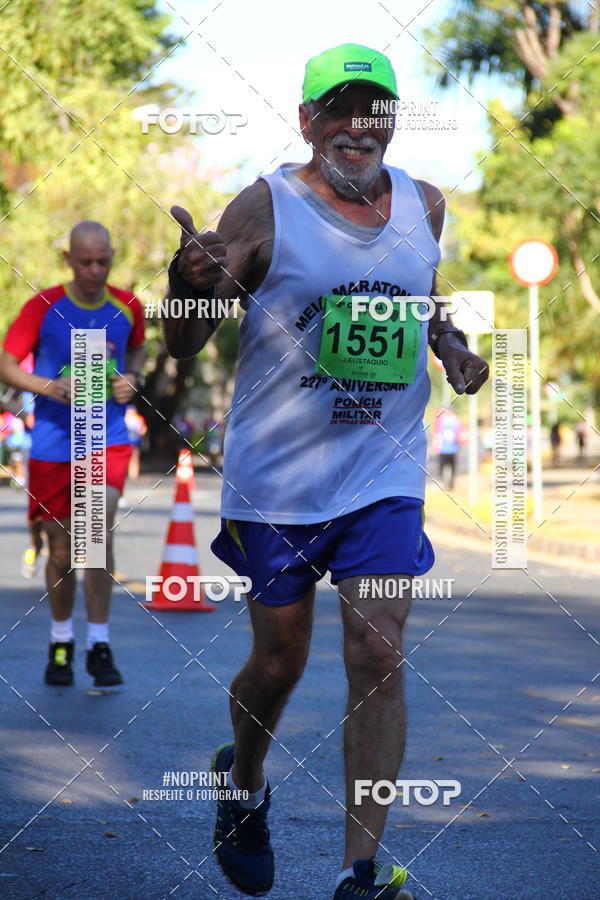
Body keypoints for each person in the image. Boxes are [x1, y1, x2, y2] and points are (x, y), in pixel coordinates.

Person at [163, 44, 489, 900]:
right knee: (279, 660)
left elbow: (418, 299)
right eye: (338, 110)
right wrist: (185, 279)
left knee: (378, 646)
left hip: (381, 470)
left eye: (373, 109)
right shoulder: (266, 206)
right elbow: (185, 338)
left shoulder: (426, 203)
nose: (357, 127)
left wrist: (448, 343)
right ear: (307, 122)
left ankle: (360, 873)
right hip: (278, 477)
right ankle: (242, 781)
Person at [0, 221, 145, 687]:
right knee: (61, 551)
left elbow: (137, 353)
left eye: (103, 261)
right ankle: (61, 641)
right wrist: (48, 386)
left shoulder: (128, 306)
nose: (95, 270)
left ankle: (99, 644)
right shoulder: (43, 306)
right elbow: (4, 361)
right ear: (68, 260)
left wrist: (133, 380)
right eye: (85, 262)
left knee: (95, 535)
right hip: (53, 445)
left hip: (107, 440)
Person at [433, 408, 465, 490]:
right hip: (445, 449)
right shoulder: (451, 421)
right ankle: (446, 484)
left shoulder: (454, 421)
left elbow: (461, 434)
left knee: (447, 468)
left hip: (451, 449)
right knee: (445, 468)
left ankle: (449, 485)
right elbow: (437, 433)